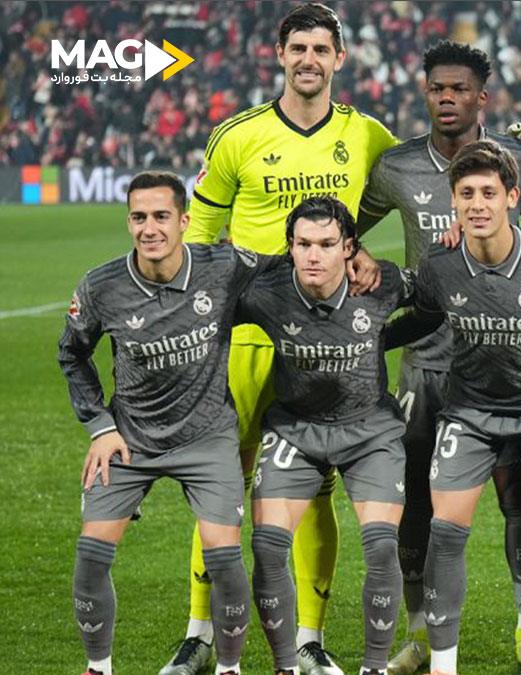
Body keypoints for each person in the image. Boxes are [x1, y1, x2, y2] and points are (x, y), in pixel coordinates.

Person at [174, 4, 397, 673]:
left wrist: (361, 249)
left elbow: (405, 190)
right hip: (246, 337)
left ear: (339, 58)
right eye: (298, 47)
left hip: (326, 340)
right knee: (223, 479)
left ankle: (308, 639)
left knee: (314, 482)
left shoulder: (367, 135)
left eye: (320, 49)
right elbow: (199, 239)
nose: (308, 60)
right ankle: (200, 634)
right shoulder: (237, 135)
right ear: (280, 54)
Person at [354, 40, 521, 675]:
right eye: (437, 89)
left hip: (506, 364)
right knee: (417, 503)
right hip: (425, 364)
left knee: (517, 496)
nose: (447, 99)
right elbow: (347, 229)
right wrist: (359, 259)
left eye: (459, 89)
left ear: (481, 97)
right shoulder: (396, 166)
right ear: (425, 93)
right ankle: (419, 635)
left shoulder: (515, 161)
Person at [384, 141, 521, 675]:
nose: (477, 204)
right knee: (445, 530)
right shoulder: (441, 264)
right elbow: (425, 315)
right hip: (471, 413)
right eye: (466, 194)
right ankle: (444, 665)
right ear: (453, 201)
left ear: (511, 197)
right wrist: (374, 339)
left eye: (488, 192)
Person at [60, 171, 276, 675]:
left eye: (161, 216)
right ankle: (98, 667)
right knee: (91, 556)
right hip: (130, 438)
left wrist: (353, 258)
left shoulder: (223, 265)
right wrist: (100, 426)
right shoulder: (101, 286)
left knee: (224, 558)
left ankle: (228, 669)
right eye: (138, 217)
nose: (149, 228)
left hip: (208, 436)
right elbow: (72, 353)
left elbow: (286, 266)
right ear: (128, 222)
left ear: (184, 221)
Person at [236, 196, 415, 675]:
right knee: (267, 547)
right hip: (296, 429)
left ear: (350, 248)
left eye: (327, 244)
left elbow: (436, 300)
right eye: (304, 244)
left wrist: (381, 338)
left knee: (381, 546)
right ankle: (285, 667)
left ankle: (374, 667)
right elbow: (209, 312)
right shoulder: (268, 292)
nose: (314, 256)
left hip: (369, 431)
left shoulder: (378, 283)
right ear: (290, 247)